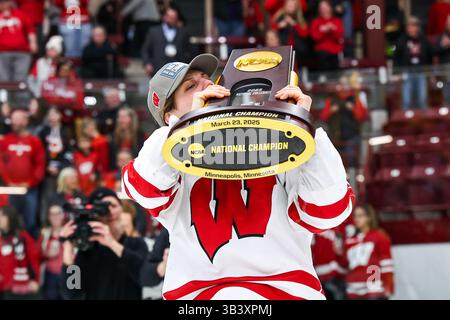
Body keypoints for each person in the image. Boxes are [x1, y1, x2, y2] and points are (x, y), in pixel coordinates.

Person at [121, 54, 355, 300]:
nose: (207, 86)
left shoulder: (280, 142)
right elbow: (143, 186)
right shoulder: (169, 162)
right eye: (191, 87)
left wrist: (303, 126)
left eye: (207, 79)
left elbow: (328, 212)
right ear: (170, 118)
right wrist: (184, 127)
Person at [59, 187, 149, 300]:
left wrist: (112, 243)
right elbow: (72, 294)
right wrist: (68, 252)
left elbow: (145, 277)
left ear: (122, 209)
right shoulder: (88, 249)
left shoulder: (136, 244)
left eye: (113, 206)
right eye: (103, 208)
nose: (110, 212)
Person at [0, 108, 45, 239]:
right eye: (12, 120)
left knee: (30, 223)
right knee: (9, 222)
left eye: (17, 120)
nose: (13, 123)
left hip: (29, 189)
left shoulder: (35, 141)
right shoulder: (5, 141)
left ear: (25, 121)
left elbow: (40, 165)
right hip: (10, 189)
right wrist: (8, 180)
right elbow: (1, 162)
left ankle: (31, 252)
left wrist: (30, 182)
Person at [343, 205, 394, 300]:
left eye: (360, 215)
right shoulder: (349, 240)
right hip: (353, 290)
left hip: (374, 290)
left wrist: (388, 286)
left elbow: (387, 265)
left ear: (369, 217)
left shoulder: (380, 236)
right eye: (355, 216)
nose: (356, 219)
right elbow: (345, 263)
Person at [37, 106, 74, 221]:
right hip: (47, 172)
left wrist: (61, 166)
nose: (51, 117)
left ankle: (64, 220)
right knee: (47, 198)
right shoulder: (43, 132)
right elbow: (39, 151)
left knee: (63, 196)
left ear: (60, 116)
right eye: (50, 114)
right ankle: (46, 222)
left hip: (63, 171)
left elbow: (70, 151)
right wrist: (47, 166)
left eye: (54, 114)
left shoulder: (66, 131)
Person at [0, 206, 40, 300]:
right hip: (4, 287)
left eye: (2, 216)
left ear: (10, 217)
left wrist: (35, 280)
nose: (0, 219)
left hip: (20, 287)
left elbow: (33, 259)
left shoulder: (23, 236)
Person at [141, 6, 192, 76]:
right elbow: (145, 50)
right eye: (171, 17)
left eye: (174, 18)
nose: (172, 20)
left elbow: (189, 51)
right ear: (164, 17)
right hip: (158, 69)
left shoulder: (183, 32)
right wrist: (147, 63)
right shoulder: (154, 31)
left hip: (178, 71)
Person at [394, 16, 432, 110]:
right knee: (406, 100)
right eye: (408, 26)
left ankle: (424, 120)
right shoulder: (401, 40)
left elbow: (430, 54)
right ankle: (407, 121)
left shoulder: (423, 40)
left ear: (417, 27)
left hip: (421, 71)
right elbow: (395, 55)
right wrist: (396, 73)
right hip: (406, 72)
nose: (410, 29)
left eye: (412, 26)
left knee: (422, 99)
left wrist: (430, 73)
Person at [0, 0, 37, 82]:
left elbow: (30, 29)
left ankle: (18, 95)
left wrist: (33, 43)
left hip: (22, 52)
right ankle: (6, 95)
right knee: (3, 80)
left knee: (20, 80)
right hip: (2, 53)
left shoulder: (20, 14)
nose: (3, 4)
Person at [39, 204, 65, 300]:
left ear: (63, 215)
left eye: (58, 213)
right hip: (51, 274)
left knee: (73, 297)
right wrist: (47, 253)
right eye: (52, 214)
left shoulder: (70, 231)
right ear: (48, 217)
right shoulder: (44, 233)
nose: (55, 217)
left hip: (72, 273)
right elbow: (38, 254)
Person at [310, 0, 344, 71]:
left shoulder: (337, 21)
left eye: (325, 7)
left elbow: (339, 37)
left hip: (335, 51)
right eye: (321, 8)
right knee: (323, 58)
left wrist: (332, 29)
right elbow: (314, 37)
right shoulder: (316, 22)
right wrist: (323, 31)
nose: (324, 10)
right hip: (322, 52)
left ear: (330, 8)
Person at [434, 15, 450, 104]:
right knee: (447, 95)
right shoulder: (442, 36)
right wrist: (443, 46)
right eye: (448, 23)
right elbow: (434, 51)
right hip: (445, 71)